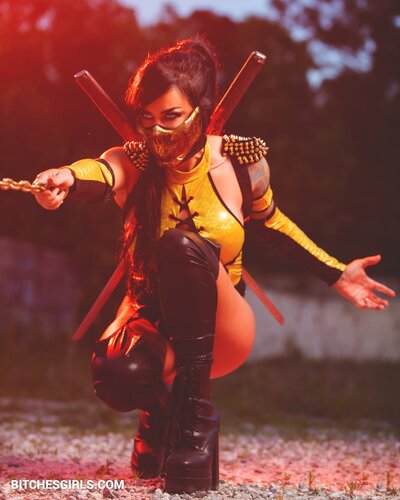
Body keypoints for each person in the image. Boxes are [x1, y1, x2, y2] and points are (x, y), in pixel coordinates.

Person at [32, 38, 395, 494]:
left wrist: (336, 272)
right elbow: (100, 171)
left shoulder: (240, 165)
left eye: (171, 116)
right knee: (117, 373)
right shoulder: (135, 162)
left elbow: (274, 224)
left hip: (223, 328)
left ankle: (195, 423)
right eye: (146, 118)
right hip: (151, 320)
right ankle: (160, 413)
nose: (157, 131)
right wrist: (65, 178)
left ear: (202, 110)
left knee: (180, 246)